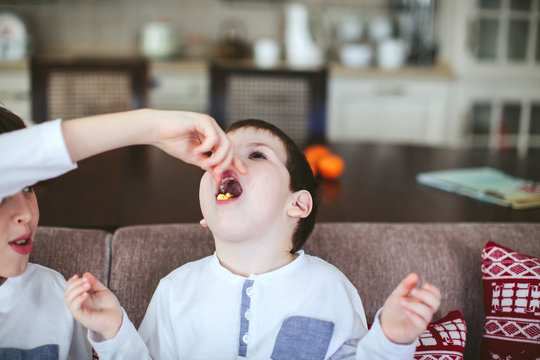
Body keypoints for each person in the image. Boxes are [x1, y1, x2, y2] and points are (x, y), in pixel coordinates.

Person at [65, 119, 442, 360]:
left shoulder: (331, 288)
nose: (226, 163)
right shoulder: (175, 290)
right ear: (205, 218)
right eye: (213, 156)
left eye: (257, 155)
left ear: (298, 203)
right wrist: (114, 333)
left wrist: (391, 340)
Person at [0, 106, 244, 359]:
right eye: (2, 192)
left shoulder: (54, 295)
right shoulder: (177, 290)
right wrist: (153, 127)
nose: (25, 214)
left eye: (28, 186)